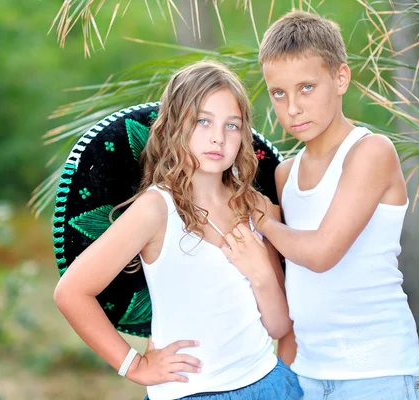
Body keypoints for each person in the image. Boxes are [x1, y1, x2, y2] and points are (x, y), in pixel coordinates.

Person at [53, 61, 303, 400]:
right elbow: (70, 292)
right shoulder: (156, 209)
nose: (218, 137)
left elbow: (278, 326)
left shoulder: (254, 207)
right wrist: (135, 365)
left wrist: (260, 273)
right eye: (203, 121)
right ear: (173, 127)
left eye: (232, 125)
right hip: (189, 394)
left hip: (266, 384)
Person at [254, 10, 419, 400]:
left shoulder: (370, 152)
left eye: (307, 88)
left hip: (378, 373)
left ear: (341, 78)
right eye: (279, 93)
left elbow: (321, 253)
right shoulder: (285, 173)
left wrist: (265, 222)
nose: (292, 107)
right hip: (309, 373)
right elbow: (297, 281)